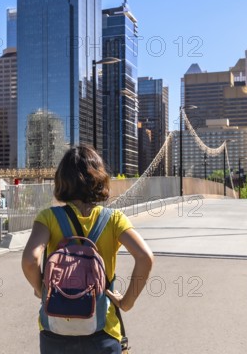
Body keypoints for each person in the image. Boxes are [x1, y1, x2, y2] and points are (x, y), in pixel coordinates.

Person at [22, 145, 154, 353]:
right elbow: (145, 257)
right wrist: (127, 302)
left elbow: (30, 260)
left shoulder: (48, 217)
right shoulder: (114, 219)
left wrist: (41, 289)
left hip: (55, 331)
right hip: (102, 331)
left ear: (61, 180)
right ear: (99, 179)